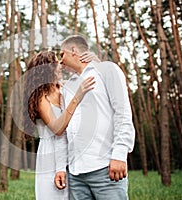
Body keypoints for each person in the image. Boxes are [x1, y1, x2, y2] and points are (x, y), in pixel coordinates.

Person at [54, 35, 135, 200]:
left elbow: (123, 113)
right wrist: (61, 167)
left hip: (105, 167)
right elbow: (64, 129)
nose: (60, 61)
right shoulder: (68, 87)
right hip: (75, 174)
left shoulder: (107, 70)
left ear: (74, 50)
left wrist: (119, 155)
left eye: (62, 54)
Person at [24, 50, 97, 200]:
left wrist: (93, 60)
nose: (61, 65)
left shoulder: (62, 88)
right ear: (48, 69)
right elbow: (57, 129)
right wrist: (77, 97)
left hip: (69, 153)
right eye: (57, 62)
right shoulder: (40, 99)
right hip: (49, 157)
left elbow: (84, 76)